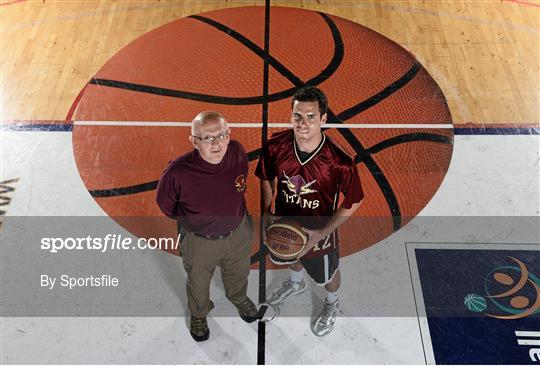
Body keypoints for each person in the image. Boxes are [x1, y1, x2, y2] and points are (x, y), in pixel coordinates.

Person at [255, 86, 363, 336]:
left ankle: (332, 301)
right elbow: (265, 178)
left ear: (323, 119)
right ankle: (295, 284)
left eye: (311, 116)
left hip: (319, 233)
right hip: (285, 224)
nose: (303, 123)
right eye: (298, 116)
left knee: (328, 275)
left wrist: (322, 233)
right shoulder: (274, 147)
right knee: (291, 255)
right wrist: (266, 214)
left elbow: (354, 200)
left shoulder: (339, 162)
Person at [156, 111, 257, 342]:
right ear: (194, 141)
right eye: (208, 138)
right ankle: (199, 313)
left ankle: (238, 297)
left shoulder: (238, 152)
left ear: (229, 134)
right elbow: (167, 206)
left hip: (238, 232)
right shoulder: (178, 173)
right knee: (198, 283)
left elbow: (240, 186)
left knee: (239, 272)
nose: (217, 143)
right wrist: (195, 223)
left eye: (222, 135)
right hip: (200, 241)